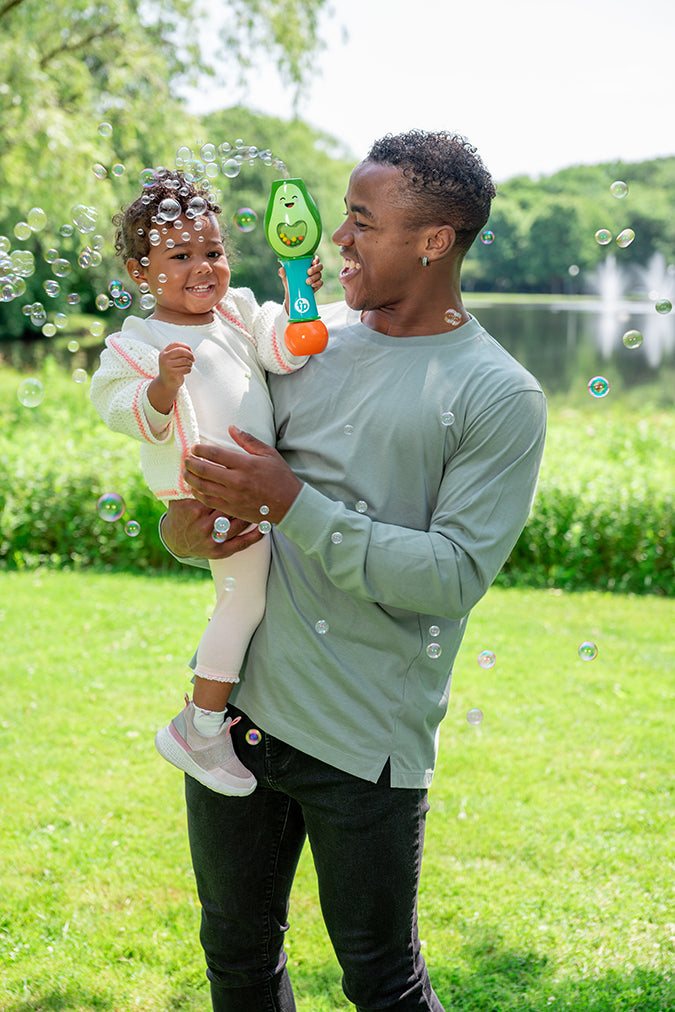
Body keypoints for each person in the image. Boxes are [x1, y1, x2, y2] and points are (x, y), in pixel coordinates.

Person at [160, 130, 547, 1011]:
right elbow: (227, 500)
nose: (335, 238)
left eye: (361, 222)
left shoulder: (499, 392)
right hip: (237, 721)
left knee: (382, 981)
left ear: (434, 239)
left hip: (365, 740)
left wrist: (290, 500)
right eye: (343, 216)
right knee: (238, 957)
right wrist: (187, 533)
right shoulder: (302, 342)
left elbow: (451, 576)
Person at [89, 169, 323, 798]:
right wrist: (162, 386)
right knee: (242, 602)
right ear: (142, 273)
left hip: (259, 489)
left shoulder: (238, 312)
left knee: (257, 598)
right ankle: (201, 726)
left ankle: (219, 715)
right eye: (181, 255)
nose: (204, 267)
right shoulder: (139, 341)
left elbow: (287, 350)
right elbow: (114, 404)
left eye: (214, 252)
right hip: (212, 494)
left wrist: (299, 291)